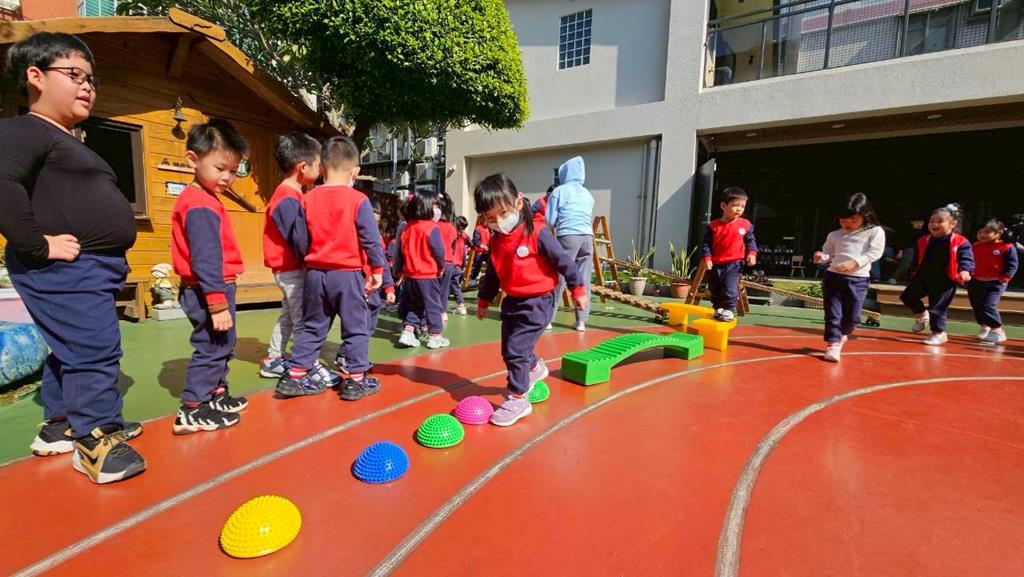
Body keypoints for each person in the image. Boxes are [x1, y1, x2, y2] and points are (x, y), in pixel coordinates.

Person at [0, 32, 145, 483]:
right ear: (36, 76)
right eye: (75, 75)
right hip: (64, 265)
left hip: (91, 267)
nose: (87, 86)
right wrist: (38, 244)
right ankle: (96, 439)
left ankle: (61, 424)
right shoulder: (27, 129)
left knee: (70, 347)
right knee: (94, 349)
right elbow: (2, 181)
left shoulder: (66, 139)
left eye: (91, 79)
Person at [275, 136, 385, 401]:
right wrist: (377, 271)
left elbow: (299, 238)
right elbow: (371, 240)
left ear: (321, 168)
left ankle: (295, 376)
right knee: (356, 327)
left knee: (313, 327)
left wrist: (309, 261)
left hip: (315, 274)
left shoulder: (307, 199)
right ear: (355, 171)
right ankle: (356, 381)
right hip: (347, 275)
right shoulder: (358, 200)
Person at [475, 174, 588, 426]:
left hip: (539, 302)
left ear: (518, 202)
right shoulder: (496, 242)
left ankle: (518, 398)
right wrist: (484, 300)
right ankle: (535, 368)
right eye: (490, 218)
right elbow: (493, 274)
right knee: (509, 348)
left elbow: (564, 262)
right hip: (513, 301)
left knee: (516, 350)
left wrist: (578, 289)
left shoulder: (537, 233)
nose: (499, 222)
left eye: (503, 213)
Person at [171, 119, 251, 434]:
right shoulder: (199, 202)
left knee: (223, 343)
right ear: (194, 159)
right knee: (211, 346)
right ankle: (193, 407)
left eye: (233, 170)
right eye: (220, 168)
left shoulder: (206, 198)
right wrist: (216, 303)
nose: (227, 177)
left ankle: (216, 392)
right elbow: (205, 257)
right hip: (207, 289)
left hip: (216, 286)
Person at [259, 132, 319, 378]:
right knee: (303, 319)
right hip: (292, 269)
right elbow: (299, 238)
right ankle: (305, 366)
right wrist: (314, 260)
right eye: (318, 164)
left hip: (285, 269)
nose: (320, 169)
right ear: (303, 167)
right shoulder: (288, 198)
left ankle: (274, 359)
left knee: (289, 316)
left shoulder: (289, 194)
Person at [813, 193, 885, 362]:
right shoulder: (834, 235)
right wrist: (820, 257)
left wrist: (855, 263)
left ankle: (843, 334)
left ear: (864, 216)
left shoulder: (874, 231)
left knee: (853, 317)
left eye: (853, 220)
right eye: (844, 220)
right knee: (833, 313)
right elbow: (828, 254)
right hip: (833, 277)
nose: (848, 224)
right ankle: (833, 344)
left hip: (858, 279)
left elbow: (875, 252)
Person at [899, 203, 974, 346]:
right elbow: (917, 258)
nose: (934, 224)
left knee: (937, 307)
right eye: (932, 221)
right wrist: (911, 271)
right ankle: (922, 315)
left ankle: (939, 333)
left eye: (940, 221)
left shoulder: (960, 241)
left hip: (945, 279)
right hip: (924, 276)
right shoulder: (924, 240)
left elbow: (966, 258)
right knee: (907, 297)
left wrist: (965, 270)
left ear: (952, 224)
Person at [394, 190, 448, 349]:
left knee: (414, 305)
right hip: (427, 275)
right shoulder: (432, 228)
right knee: (433, 305)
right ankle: (435, 335)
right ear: (427, 207)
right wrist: (441, 266)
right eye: (435, 206)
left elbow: (401, 251)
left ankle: (408, 331)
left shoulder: (407, 228)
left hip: (410, 276)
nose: (437, 210)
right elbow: (439, 252)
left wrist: (400, 269)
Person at [546, 157, 595, 332]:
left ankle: (548, 319)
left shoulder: (559, 191)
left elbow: (550, 220)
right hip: (587, 237)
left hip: (567, 236)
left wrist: (551, 233)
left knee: (558, 277)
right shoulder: (588, 194)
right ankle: (581, 321)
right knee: (583, 279)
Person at [701, 187, 758, 322]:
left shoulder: (745, 225)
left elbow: (751, 241)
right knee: (715, 288)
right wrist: (707, 258)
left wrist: (752, 254)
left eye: (742, 206)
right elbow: (706, 244)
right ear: (723, 206)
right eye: (735, 205)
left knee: (730, 287)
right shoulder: (713, 226)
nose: (739, 209)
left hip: (734, 263)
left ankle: (729, 309)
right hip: (716, 264)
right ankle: (718, 308)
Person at [967, 218, 1018, 344]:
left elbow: (1012, 265)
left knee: (989, 305)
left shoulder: (1006, 247)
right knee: (977, 305)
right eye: (980, 232)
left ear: (998, 232)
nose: (982, 235)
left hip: (995, 283)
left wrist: (1004, 278)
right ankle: (985, 326)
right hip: (976, 281)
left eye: (987, 232)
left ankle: (997, 330)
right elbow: (968, 261)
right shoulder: (975, 246)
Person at [449, 216, 471, 315]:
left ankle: (460, 305)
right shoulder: (463, 235)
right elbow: (472, 244)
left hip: (451, 263)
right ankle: (460, 305)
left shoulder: (452, 234)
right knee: (454, 285)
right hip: (458, 265)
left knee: (451, 286)